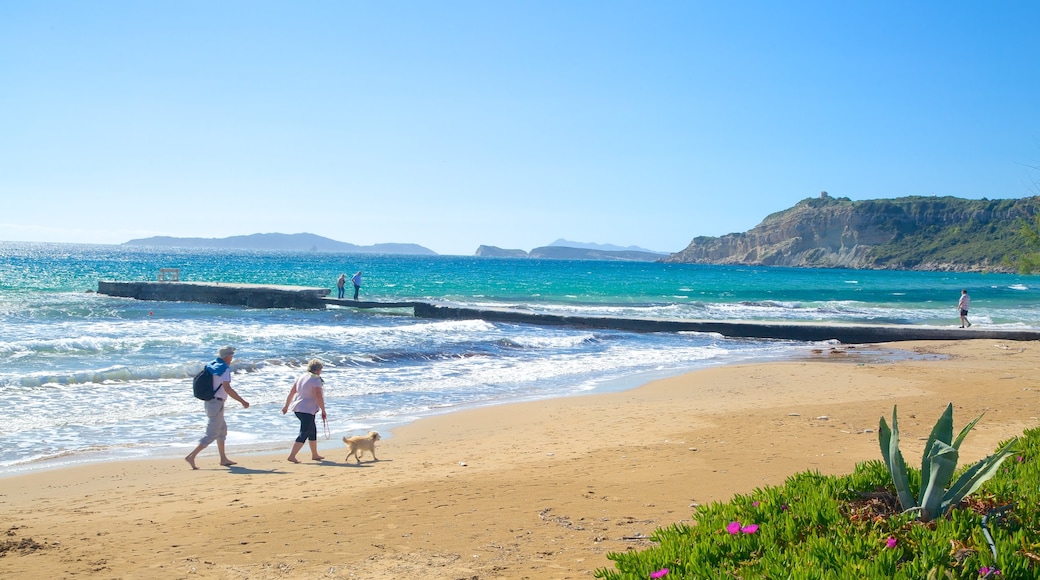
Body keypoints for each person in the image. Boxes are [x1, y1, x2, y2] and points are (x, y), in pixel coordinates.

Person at [185, 346, 250, 469]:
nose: (232, 358)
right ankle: (191, 456)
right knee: (212, 434)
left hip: (211, 401)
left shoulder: (213, 365)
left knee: (222, 431)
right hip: (216, 403)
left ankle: (223, 459)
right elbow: (227, 388)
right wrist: (242, 401)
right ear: (227, 356)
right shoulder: (224, 369)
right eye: (231, 355)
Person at [281, 358, 327, 463]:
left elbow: (292, 392)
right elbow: (318, 395)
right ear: (317, 369)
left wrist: (286, 406)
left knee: (312, 430)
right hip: (307, 409)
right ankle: (292, 455)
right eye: (321, 370)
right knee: (304, 432)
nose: (321, 372)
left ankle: (315, 454)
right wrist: (323, 410)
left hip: (298, 408)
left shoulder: (301, 377)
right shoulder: (316, 379)